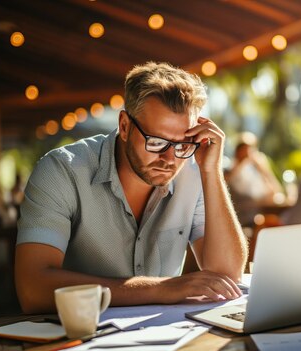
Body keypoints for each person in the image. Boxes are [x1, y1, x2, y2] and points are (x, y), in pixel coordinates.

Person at [15, 62, 248, 313]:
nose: (170, 159)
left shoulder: (193, 170)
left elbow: (227, 276)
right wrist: (161, 289)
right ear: (124, 126)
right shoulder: (61, 172)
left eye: (183, 144)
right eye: (157, 142)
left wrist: (211, 172)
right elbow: (33, 290)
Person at [225, 132, 284, 227]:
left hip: (262, 216)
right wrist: (240, 164)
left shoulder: (255, 171)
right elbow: (224, 184)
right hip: (245, 220)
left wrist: (264, 170)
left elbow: (276, 192)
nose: (248, 153)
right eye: (244, 149)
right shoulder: (230, 170)